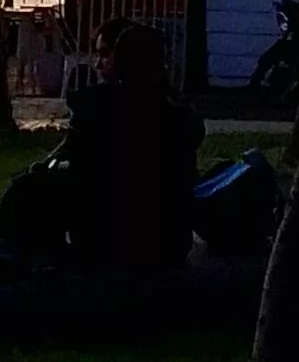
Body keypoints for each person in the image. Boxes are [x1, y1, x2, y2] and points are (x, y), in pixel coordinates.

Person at [62, 25, 200, 270]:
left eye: (105, 55)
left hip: (102, 244)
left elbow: (75, 170)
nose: (98, 64)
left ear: (119, 61)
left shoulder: (93, 109)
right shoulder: (181, 118)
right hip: (168, 244)